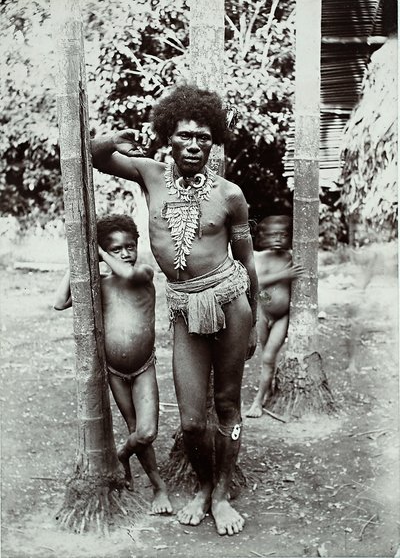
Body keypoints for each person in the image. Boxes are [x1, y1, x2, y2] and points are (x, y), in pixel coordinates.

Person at [90, 84, 258, 536]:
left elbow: (247, 261)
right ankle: (204, 485)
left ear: (213, 140)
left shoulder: (230, 195)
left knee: (227, 406)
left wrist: (255, 317)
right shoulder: (151, 174)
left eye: (203, 136)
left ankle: (219, 494)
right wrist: (115, 137)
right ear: (170, 136)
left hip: (231, 303)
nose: (194, 144)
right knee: (189, 420)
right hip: (186, 308)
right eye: (185, 134)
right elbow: (96, 156)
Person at [54, 214, 172, 515]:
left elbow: (130, 275)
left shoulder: (144, 273)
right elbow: (60, 302)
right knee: (135, 428)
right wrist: (83, 259)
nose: (125, 254)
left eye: (129, 247)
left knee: (146, 432)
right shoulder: (100, 284)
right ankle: (159, 487)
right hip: (115, 372)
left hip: (144, 366)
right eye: (116, 249)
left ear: (137, 246)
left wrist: (102, 253)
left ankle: (121, 455)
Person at [246, 215, 304, 418]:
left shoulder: (291, 257)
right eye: (273, 235)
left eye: (283, 235)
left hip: (282, 316)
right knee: (264, 356)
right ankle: (268, 388)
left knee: (269, 357)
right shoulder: (261, 257)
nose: (278, 239)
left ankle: (258, 402)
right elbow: (256, 282)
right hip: (263, 313)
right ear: (264, 237)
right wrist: (284, 275)